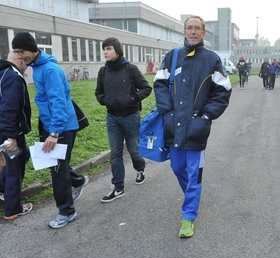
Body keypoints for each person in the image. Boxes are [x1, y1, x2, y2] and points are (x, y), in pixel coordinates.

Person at [153, 15, 232, 238]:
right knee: (178, 168)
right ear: (184, 31)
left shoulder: (212, 59)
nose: (193, 32)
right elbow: (159, 84)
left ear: (204, 32)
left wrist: (206, 116)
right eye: (190, 28)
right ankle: (192, 195)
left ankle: (188, 217)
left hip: (197, 127)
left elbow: (223, 91)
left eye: (198, 28)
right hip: (174, 125)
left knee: (194, 174)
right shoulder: (172, 56)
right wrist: (167, 112)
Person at [12, 32, 89, 228]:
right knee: (53, 163)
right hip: (50, 124)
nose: (21, 56)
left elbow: (59, 103)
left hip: (60, 126)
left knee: (57, 170)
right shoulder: (37, 67)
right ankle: (78, 181)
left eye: (22, 51)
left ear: (33, 48)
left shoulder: (49, 71)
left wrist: (54, 133)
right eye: (16, 52)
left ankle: (67, 212)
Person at [95, 37, 152, 203]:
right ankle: (118, 187)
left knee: (134, 150)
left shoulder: (130, 69)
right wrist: (104, 101)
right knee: (116, 153)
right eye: (104, 49)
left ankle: (140, 168)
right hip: (112, 117)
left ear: (117, 50)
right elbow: (98, 92)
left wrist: (132, 99)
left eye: (109, 49)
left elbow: (146, 88)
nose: (105, 52)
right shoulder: (103, 71)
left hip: (131, 117)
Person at [0, 52, 33, 220]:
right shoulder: (12, 77)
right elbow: (9, 108)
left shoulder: (2, 73)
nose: (26, 65)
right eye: (26, 62)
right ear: (20, 59)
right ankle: (13, 209)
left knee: (22, 156)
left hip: (3, 130)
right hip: (9, 133)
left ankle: (3, 189)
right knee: (14, 168)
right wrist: (11, 136)